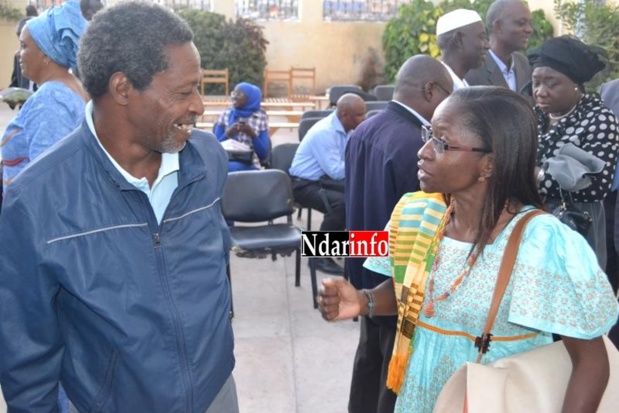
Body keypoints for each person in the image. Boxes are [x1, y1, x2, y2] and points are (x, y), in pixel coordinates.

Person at [318, 86, 619, 413]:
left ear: (488, 164)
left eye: (441, 142)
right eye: (428, 135)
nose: (423, 151)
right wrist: (364, 301)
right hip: (421, 399)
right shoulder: (420, 214)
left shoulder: (542, 243)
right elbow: (416, 293)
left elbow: (591, 363)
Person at [0, 2, 238, 412]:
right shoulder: (37, 202)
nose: (200, 106)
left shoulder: (208, 159)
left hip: (216, 392)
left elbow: (217, 259)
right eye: (184, 92)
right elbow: (27, 359)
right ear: (123, 88)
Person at [344, 55, 453, 413]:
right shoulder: (418, 147)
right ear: (430, 90)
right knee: (394, 380)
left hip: (365, 270)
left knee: (368, 365)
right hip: (400, 282)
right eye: (449, 96)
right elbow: (424, 224)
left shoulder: (366, 127)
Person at [530, 36, 619, 268]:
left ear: (575, 85)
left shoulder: (599, 119)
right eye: (536, 83)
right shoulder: (534, 115)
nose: (540, 91)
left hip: (575, 226)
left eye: (551, 84)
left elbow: (596, 186)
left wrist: (533, 174)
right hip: (532, 223)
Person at [1, 0, 88, 194]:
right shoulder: (70, 87)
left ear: (46, 54)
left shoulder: (50, 100)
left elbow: (48, 185)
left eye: (24, 46)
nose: (18, 54)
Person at [290, 93, 366, 275]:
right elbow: (337, 171)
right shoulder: (325, 132)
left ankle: (344, 248)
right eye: (359, 115)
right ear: (345, 115)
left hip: (323, 180)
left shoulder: (348, 129)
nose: (364, 119)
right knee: (342, 203)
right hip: (303, 185)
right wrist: (363, 164)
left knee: (359, 195)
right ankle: (318, 258)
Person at [465, 0, 532, 94]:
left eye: (530, 23)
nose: (529, 29)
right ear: (498, 27)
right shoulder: (473, 70)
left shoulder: (524, 64)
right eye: (521, 23)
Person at [213, 82, 270, 171]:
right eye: (233, 94)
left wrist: (252, 135)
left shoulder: (260, 117)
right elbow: (213, 148)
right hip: (226, 159)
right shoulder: (226, 114)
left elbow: (263, 154)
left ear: (250, 98)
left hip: (249, 162)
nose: (234, 97)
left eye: (239, 94)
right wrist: (229, 133)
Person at [436, 9, 489, 90]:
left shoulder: (463, 85)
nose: (488, 45)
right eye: (481, 37)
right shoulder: (438, 88)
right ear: (459, 40)